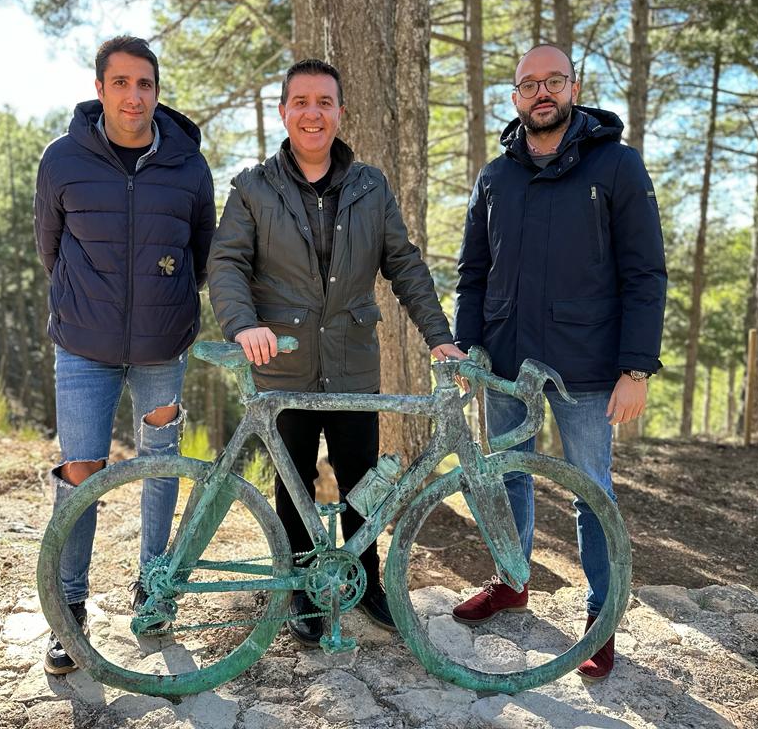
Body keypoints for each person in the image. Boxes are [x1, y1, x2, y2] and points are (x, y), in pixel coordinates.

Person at [207, 58, 464, 645]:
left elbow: (404, 266)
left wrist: (439, 336)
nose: (313, 112)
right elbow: (226, 263)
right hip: (284, 364)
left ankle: (366, 581)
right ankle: (300, 589)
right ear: (283, 112)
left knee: (360, 480)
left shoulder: (370, 186)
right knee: (293, 483)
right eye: (301, 101)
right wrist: (243, 325)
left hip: (352, 363)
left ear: (340, 112)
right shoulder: (252, 186)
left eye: (324, 101)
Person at [451, 44, 667, 681]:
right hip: (506, 359)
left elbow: (645, 272)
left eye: (553, 81)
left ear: (573, 87)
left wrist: (636, 368)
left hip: (590, 364)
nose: (540, 93)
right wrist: (469, 348)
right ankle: (512, 581)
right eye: (528, 84)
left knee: (590, 491)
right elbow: (472, 272)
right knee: (506, 477)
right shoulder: (496, 176)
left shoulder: (618, 166)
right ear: (515, 97)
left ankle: (601, 619)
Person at [34, 35, 215, 674]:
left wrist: (157, 305)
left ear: (157, 91)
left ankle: (155, 591)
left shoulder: (189, 164)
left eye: (145, 84)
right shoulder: (62, 159)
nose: (133, 96)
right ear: (100, 88)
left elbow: (199, 252)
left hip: (163, 346)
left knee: (160, 465)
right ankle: (70, 613)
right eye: (121, 83)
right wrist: (93, 304)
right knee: (81, 473)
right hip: (83, 348)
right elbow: (51, 249)